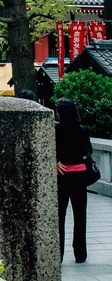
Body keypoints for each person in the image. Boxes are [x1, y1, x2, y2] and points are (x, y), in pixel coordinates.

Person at [55, 97, 92, 263]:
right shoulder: (82, 129)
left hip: (62, 175)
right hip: (79, 175)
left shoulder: (56, 130)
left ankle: (59, 254)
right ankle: (80, 254)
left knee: (60, 215)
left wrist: (57, 161)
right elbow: (88, 150)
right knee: (80, 215)